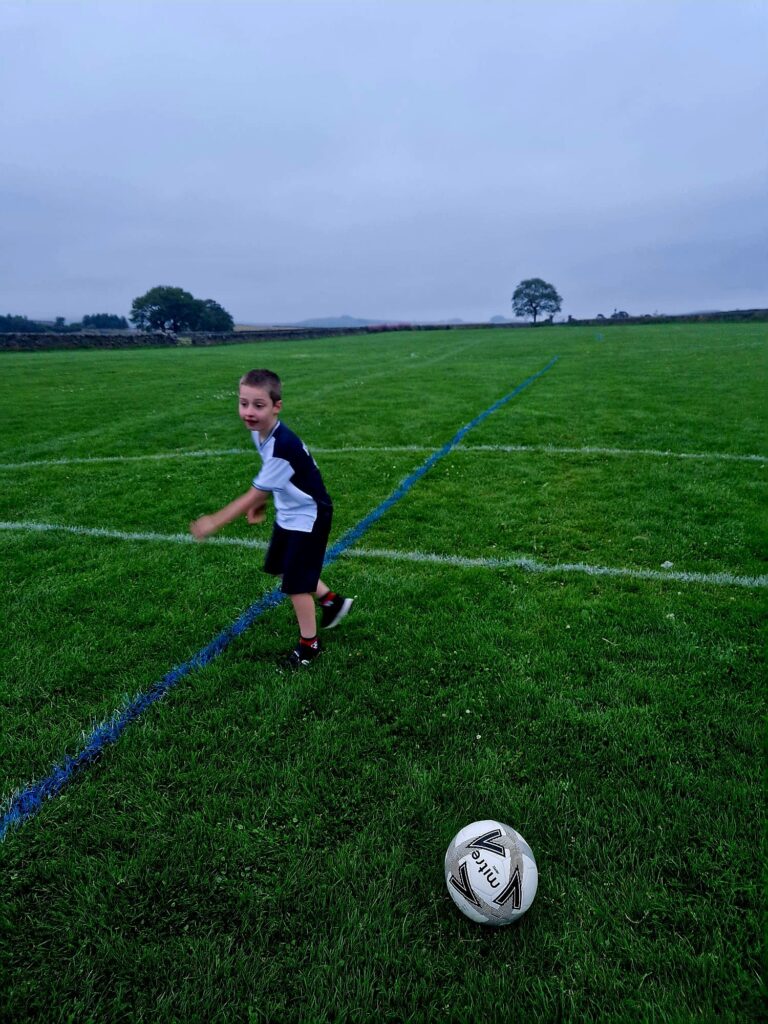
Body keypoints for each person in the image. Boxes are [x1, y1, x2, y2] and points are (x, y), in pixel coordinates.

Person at [189, 368, 352, 667]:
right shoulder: (259, 432)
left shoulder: (282, 446)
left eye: (258, 405)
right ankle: (332, 602)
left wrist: (215, 521)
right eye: (243, 403)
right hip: (289, 512)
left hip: (309, 514)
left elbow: (253, 493)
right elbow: (268, 481)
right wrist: (263, 504)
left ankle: (309, 646)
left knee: (296, 585)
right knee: (280, 567)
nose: (249, 412)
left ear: (277, 406)